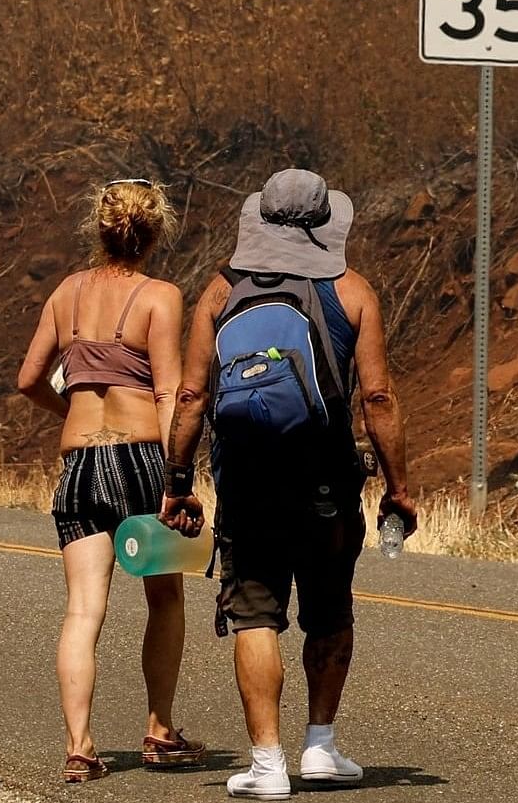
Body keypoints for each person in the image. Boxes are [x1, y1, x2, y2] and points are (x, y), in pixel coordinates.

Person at [164, 168, 412, 798]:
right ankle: (321, 747)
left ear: (260, 220)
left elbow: (193, 393)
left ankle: (268, 764)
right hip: (326, 481)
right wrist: (398, 486)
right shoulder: (352, 291)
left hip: (246, 481)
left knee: (255, 613)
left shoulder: (220, 292)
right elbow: (378, 396)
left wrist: (178, 478)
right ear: (328, 222)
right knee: (329, 608)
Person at [15, 178, 206, 784]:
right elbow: (170, 390)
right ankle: (159, 729)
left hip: (79, 467)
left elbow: (28, 379)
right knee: (165, 596)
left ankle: (79, 746)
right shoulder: (160, 296)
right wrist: (180, 476)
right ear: (155, 234)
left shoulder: (65, 293)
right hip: (141, 459)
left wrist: (71, 413)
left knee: (82, 610)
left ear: (98, 229)